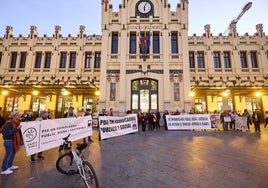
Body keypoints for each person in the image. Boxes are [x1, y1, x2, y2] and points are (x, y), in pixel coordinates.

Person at [1, 111, 22, 175]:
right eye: (18, 115)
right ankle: (4, 169)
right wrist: (16, 129)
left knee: (12, 154)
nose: (19, 116)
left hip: (13, 141)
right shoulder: (9, 123)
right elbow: (6, 133)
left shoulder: (17, 123)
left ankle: (10, 166)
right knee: (8, 155)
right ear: (14, 116)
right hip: (9, 141)